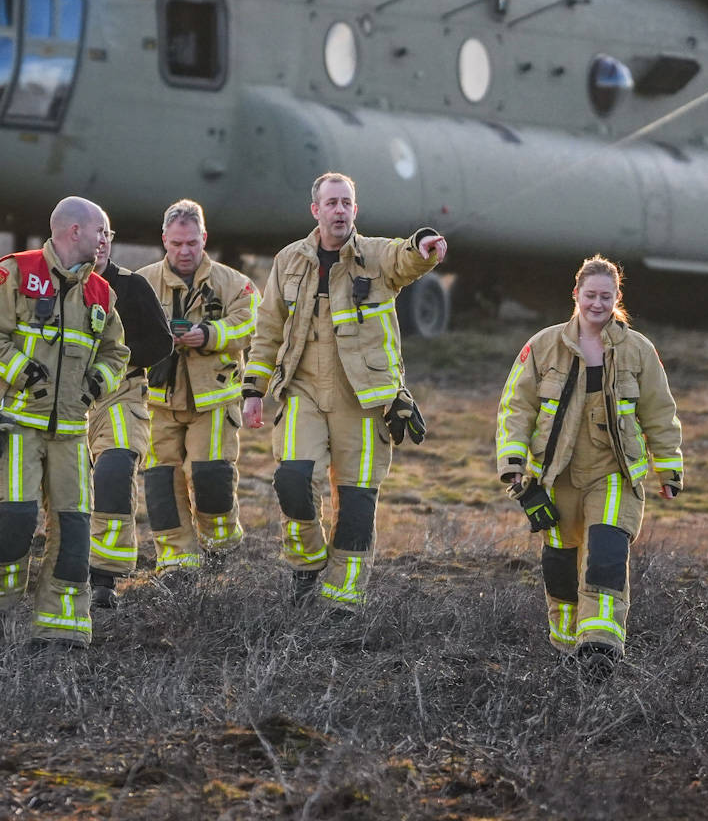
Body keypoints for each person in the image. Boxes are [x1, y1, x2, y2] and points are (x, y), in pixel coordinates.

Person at [242, 172, 446, 607]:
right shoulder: (289, 261)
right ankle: (308, 564)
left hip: (365, 399)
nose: (339, 210)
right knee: (294, 479)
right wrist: (253, 389)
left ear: (355, 210)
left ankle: (341, 602)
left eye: (346, 203)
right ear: (315, 210)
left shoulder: (374, 257)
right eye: (331, 203)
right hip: (303, 391)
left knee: (355, 503)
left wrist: (423, 244)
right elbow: (268, 327)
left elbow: (405, 259)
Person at [494, 256, 682, 677]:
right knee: (560, 565)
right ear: (576, 295)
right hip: (556, 475)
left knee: (607, 555)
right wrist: (513, 464)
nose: (598, 304)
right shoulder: (542, 346)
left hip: (614, 473)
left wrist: (669, 467)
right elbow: (515, 407)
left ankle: (601, 645)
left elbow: (659, 411)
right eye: (590, 295)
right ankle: (565, 645)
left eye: (606, 296)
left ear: (617, 298)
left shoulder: (639, 350)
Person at [0, 197, 129, 646]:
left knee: (74, 536)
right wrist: (20, 371)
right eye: (101, 231)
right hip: (16, 425)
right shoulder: (15, 271)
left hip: (72, 436)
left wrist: (98, 381)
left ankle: (61, 633)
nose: (105, 241)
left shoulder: (101, 292)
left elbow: (118, 353)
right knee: (15, 522)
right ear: (74, 231)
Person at [130, 200, 259, 583]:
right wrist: (159, 338)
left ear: (204, 238)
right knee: (162, 482)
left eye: (191, 243)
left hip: (214, 401)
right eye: (176, 244)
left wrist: (210, 335)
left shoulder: (233, 283)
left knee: (210, 478)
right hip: (157, 401)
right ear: (164, 242)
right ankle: (177, 565)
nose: (184, 252)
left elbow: (253, 323)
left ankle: (221, 545)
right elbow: (123, 331)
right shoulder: (142, 282)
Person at [83, 224, 174, 610]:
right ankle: (67, 569)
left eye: (107, 234)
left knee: (115, 470)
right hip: (61, 394)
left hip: (121, 393)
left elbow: (162, 341)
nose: (100, 241)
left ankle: (104, 577)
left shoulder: (132, 286)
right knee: (66, 490)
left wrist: (115, 356)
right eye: (92, 233)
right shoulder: (49, 284)